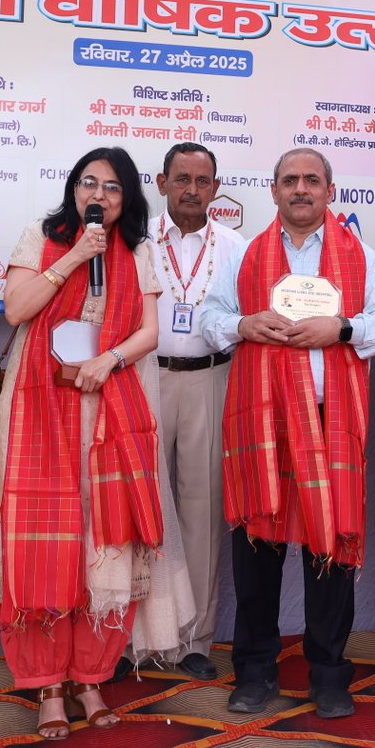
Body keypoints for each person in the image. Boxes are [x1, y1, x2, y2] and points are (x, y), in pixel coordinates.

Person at [0, 147, 193, 738]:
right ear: (74, 190)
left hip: (111, 406)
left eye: (111, 187)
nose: (98, 195)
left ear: (128, 197)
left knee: (105, 543)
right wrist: (76, 255)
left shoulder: (138, 250)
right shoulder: (42, 237)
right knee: (46, 546)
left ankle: (91, 678)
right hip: (38, 411)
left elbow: (149, 331)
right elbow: (16, 310)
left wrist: (110, 359)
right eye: (88, 184)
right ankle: (48, 685)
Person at [198, 147, 375, 719]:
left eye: (312, 179)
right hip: (262, 421)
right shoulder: (244, 254)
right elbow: (209, 319)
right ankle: (255, 672)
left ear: (330, 191)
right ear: (274, 191)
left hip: (329, 419)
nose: (301, 188)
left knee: (330, 546)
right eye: (290, 179)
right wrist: (243, 323)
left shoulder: (360, 254)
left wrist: (342, 328)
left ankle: (329, 674)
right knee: (257, 549)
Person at [147, 142, 246, 681]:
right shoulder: (137, 241)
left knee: (202, 512)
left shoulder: (236, 247)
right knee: (140, 508)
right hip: (144, 379)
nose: (191, 189)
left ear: (216, 188)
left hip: (212, 379)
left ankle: (194, 640)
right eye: (181, 179)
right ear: (162, 183)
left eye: (202, 181)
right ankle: (135, 640)